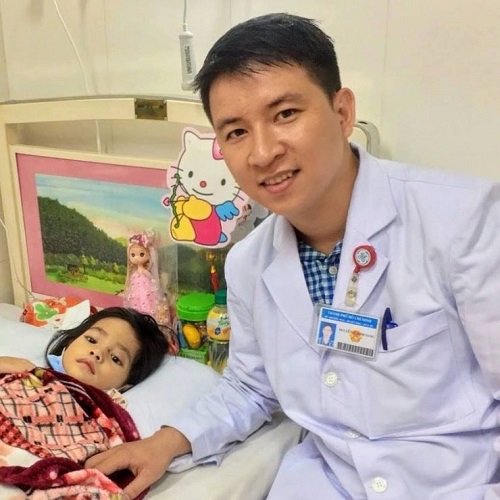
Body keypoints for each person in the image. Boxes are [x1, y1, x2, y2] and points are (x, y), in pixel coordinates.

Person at [86, 13, 500, 499]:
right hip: (328, 483)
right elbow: (251, 387)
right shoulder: (249, 263)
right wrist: (164, 444)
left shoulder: (464, 220)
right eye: (236, 132)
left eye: (284, 114)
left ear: (342, 112)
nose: (262, 153)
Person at [0, 306, 168, 392]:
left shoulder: (103, 418)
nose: (97, 353)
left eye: (115, 358)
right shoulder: (21, 371)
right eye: (91, 340)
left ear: (125, 385)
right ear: (69, 342)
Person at [124, 230, 165, 322]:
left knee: (146, 301)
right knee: (135, 302)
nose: (136, 258)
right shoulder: (134, 274)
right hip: (135, 294)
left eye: (141, 254)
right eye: (133, 255)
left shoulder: (145, 273)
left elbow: (151, 281)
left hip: (145, 292)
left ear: (149, 255)